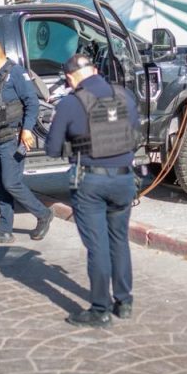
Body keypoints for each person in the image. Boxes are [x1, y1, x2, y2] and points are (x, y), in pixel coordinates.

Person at [45, 53, 140, 328]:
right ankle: (124, 301)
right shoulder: (125, 96)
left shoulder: (70, 103)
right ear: (95, 70)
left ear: (69, 77)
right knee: (119, 241)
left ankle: (100, 309)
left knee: (97, 246)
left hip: (91, 183)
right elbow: (134, 134)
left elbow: (51, 149)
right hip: (124, 180)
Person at [0, 39, 53, 245]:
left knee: (11, 183)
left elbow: (32, 102)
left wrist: (27, 129)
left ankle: (43, 214)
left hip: (12, 138)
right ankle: (4, 230)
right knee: (1, 185)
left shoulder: (16, 73)